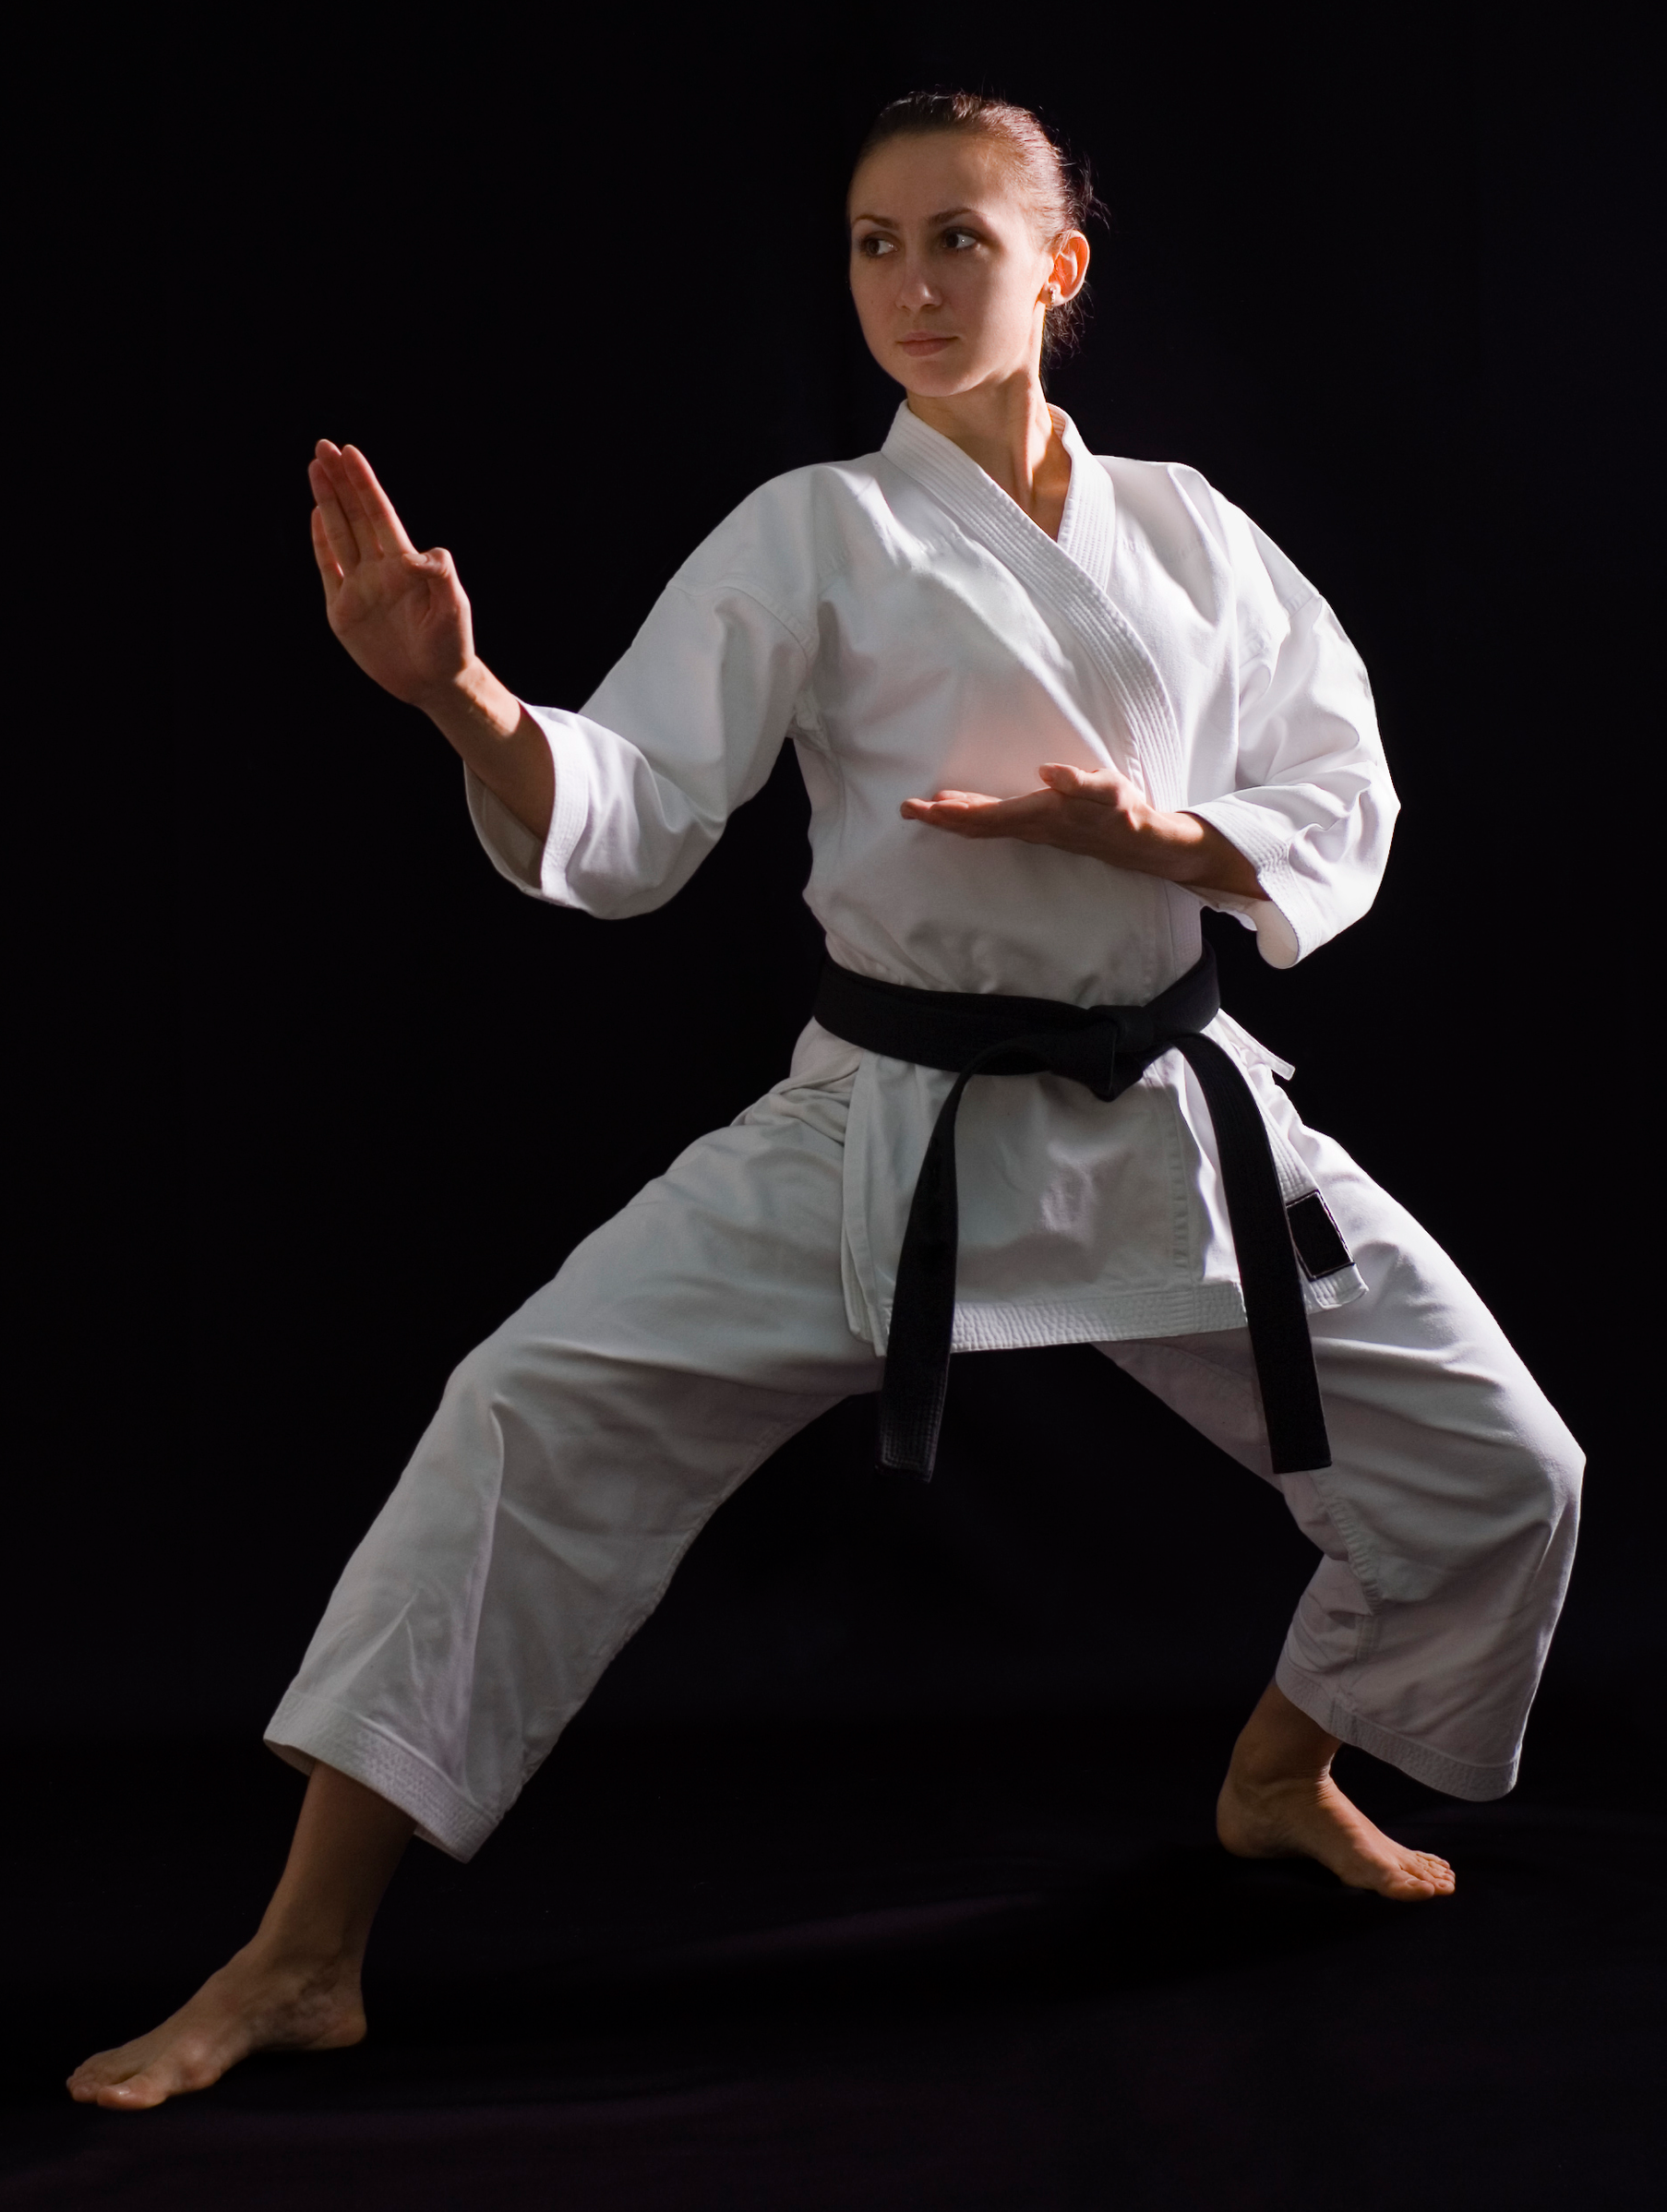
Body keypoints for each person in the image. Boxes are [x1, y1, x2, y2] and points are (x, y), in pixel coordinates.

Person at [70, 90, 1582, 2111]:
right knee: (525, 1408)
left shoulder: (1196, 528)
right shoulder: (819, 529)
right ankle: (300, 1952)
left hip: (1163, 1108)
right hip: (892, 1120)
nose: (912, 285)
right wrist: (456, 690)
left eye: (961, 239)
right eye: (876, 244)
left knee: (1505, 1470)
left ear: (1058, 266)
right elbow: (629, 808)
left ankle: (1277, 1768)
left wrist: (1168, 834)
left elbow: (1343, 796)